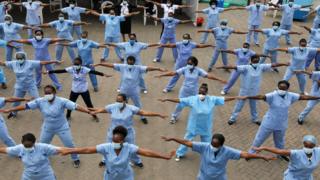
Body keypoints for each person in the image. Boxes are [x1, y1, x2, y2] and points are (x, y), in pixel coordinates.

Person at [1, 85, 92, 168]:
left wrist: (88, 111)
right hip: (47, 127)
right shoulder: (40, 101)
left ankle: (75, 158)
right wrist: (11, 109)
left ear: (54, 93)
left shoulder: (62, 101)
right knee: (42, 144)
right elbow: (26, 106)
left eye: (49, 93)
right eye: (46, 93)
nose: (47, 95)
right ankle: (44, 156)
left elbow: (75, 106)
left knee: (69, 144)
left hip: (62, 127)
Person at [158, 84, 243, 160]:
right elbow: (180, 100)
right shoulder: (193, 99)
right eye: (200, 92)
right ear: (198, 91)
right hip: (193, 126)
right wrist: (167, 99)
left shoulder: (212, 99)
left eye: (203, 93)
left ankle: (208, 155)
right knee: (186, 141)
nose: (201, 94)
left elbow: (224, 99)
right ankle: (179, 153)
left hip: (205, 126)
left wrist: (235, 97)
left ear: (206, 93)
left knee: (207, 143)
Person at [60, 125, 175, 180]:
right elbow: (87, 149)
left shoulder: (129, 147)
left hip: (126, 176)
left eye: (117, 141)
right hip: (110, 177)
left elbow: (147, 153)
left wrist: (165, 156)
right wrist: (71, 150)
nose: (114, 142)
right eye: (113, 140)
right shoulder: (106, 147)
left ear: (123, 140)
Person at [246, 80, 320, 161]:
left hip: (282, 124)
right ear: (277, 87)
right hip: (269, 122)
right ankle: (251, 153)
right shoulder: (272, 95)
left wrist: (317, 97)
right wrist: (248, 97)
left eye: (284, 89)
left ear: (287, 89)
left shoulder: (291, 96)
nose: (281, 90)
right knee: (259, 139)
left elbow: (303, 97)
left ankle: (280, 154)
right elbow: (261, 97)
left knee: (280, 141)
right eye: (280, 88)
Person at [89, 93, 167, 167]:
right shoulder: (112, 106)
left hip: (128, 133)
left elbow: (143, 112)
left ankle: (137, 161)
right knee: (108, 146)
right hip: (113, 133)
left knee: (132, 148)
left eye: (120, 101)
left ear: (125, 101)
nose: (118, 102)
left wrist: (158, 114)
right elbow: (103, 109)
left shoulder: (131, 108)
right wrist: (96, 111)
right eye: (117, 100)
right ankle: (104, 160)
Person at [162, 134, 274, 179]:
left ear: (221, 145)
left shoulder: (228, 151)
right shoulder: (204, 147)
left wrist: (262, 157)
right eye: (212, 144)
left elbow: (245, 154)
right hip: (204, 177)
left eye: (216, 145)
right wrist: (173, 138)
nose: (213, 146)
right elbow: (188, 143)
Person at [216, 55, 289, 125]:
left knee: (254, 106)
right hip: (244, 91)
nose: (256, 62)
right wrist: (222, 66)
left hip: (254, 91)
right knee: (239, 105)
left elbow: (274, 65)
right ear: (251, 61)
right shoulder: (245, 67)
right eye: (255, 60)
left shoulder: (261, 66)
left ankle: (255, 119)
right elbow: (234, 67)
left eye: (257, 60)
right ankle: (232, 118)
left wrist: (284, 63)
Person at [94, 56, 167, 124]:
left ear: (134, 62)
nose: (130, 63)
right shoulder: (122, 66)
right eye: (129, 61)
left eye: (131, 62)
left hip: (134, 90)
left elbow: (148, 68)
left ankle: (142, 116)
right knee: (120, 104)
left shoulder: (138, 68)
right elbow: (111, 65)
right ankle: (122, 116)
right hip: (124, 90)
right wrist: (100, 64)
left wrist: (158, 69)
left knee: (138, 104)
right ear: (127, 61)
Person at [156, 57, 227, 123]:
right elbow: (173, 73)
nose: (188, 65)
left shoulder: (198, 70)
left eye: (190, 63)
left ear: (194, 64)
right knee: (180, 104)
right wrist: (162, 75)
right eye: (188, 63)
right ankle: (174, 117)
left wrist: (219, 79)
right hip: (184, 90)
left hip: (194, 91)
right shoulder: (184, 69)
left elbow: (208, 76)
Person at [46, 57, 112, 120]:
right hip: (74, 90)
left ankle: (94, 115)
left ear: (81, 64)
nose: (76, 66)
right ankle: (68, 116)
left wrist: (104, 74)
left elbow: (93, 72)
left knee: (89, 104)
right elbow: (61, 71)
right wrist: (49, 72)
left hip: (84, 90)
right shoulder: (71, 68)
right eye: (75, 64)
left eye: (77, 64)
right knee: (70, 104)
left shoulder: (85, 69)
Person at [0, 52, 60, 119]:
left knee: (38, 100)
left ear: (24, 58)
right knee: (16, 101)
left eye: (21, 58)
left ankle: (47, 113)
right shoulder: (14, 63)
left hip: (30, 85)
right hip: (20, 86)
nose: (19, 60)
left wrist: (54, 61)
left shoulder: (30, 63)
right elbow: (3, 63)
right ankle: (13, 112)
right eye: (18, 59)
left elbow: (42, 62)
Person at [0, 133, 66, 180]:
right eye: (26, 145)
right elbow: (5, 150)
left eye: (30, 145)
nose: (28, 147)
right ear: (22, 143)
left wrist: (76, 150)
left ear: (35, 142)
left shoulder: (43, 147)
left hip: (46, 175)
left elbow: (62, 150)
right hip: (28, 176)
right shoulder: (19, 148)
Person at [253, 135, 320, 180]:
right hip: (292, 178)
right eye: (307, 146)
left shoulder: (318, 151)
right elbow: (279, 151)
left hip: (306, 178)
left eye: (311, 146)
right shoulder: (296, 153)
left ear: (314, 146)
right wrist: (265, 147)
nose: (308, 148)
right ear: (303, 144)